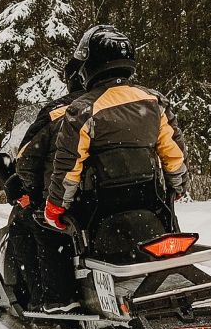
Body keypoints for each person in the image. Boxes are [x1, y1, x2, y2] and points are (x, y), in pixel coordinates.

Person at [45, 24, 188, 240]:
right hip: (150, 204)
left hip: (101, 211)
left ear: (91, 63)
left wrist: (56, 206)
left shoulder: (82, 109)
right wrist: (179, 185)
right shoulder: (154, 102)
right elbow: (173, 153)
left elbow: (69, 166)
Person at [9, 56, 85, 312]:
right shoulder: (124, 103)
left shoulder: (59, 111)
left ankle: (48, 296)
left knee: (27, 222)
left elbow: (27, 160)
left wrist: (28, 188)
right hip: (115, 196)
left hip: (69, 198)